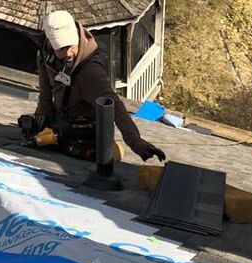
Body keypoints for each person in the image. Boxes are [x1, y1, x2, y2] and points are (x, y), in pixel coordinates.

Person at [34, 10, 166, 162]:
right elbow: (45, 93)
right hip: (59, 123)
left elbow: (114, 106)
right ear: (50, 44)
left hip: (85, 133)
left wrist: (137, 143)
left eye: (70, 45)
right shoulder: (45, 51)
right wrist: (41, 121)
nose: (69, 52)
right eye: (61, 48)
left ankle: (110, 149)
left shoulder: (90, 72)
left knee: (101, 157)